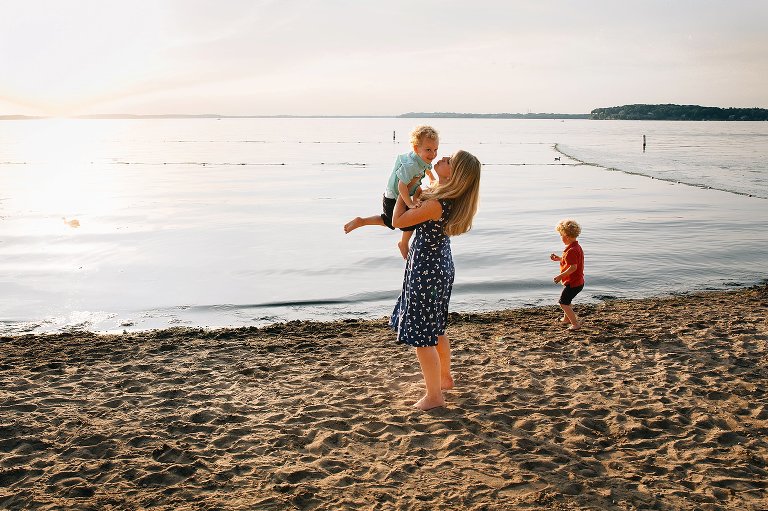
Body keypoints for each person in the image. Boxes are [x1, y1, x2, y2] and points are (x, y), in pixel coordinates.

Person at [389, 150, 481, 410]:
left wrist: (402, 189)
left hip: (427, 271)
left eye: (449, 160)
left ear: (456, 174)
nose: (442, 159)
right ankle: (444, 379)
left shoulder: (437, 203)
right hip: (439, 266)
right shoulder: (447, 199)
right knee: (436, 328)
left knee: (423, 336)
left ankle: (434, 396)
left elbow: (398, 221)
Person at [344, 125, 438, 259]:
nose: (433, 154)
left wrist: (431, 177)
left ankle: (364, 222)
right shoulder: (410, 166)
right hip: (394, 196)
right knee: (402, 222)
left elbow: (426, 168)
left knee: (419, 197)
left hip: (410, 189)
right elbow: (401, 187)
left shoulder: (423, 157)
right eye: (428, 150)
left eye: (435, 150)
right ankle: (403, 242)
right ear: (416, 149)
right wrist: (410, 204)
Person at [549, 219, 585, 330]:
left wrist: (560, 276)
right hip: (577, 281)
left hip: (574, 282)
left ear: (567, 236)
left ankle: (575, 324)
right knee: (567, 301)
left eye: (561, 235)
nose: (561, 237)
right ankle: (566, 319)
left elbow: (573, 267)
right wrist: (559, 259)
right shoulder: (575, 247)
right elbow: (571, 261)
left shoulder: (571, 251)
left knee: (563, 303)